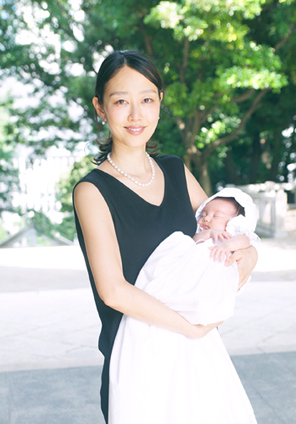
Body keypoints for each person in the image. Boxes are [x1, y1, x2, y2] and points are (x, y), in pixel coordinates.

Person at [73, 50, 258, 423]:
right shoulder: (92, 191)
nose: (136, 114)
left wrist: (249, 256)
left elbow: (231, 232)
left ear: (160, 102)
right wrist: (190, 326)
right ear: (100, 107)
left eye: (146, 100)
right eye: (121, 101)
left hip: (198, 359)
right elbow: (113, 290)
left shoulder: (175, 170)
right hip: (140, 362)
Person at [109, 188, 259, 424]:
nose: (206, 218)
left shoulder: (234, 234)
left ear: (235, 222)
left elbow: (246, 241)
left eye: (216, 215)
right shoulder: (204, 233)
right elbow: (193, 242)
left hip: (214, 265)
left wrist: (232, 247)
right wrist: (206, 234)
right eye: (204, 214)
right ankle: (164, 297)